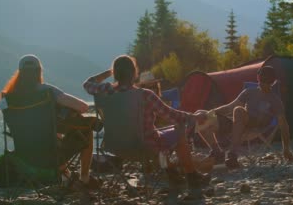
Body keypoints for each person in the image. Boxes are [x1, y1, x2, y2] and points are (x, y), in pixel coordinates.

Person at [83, 55, 209, 197]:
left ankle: (174, 176)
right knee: (178, 130)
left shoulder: (106, 91)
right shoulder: (145, 95)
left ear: (116, 73)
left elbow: (87, 84)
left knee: (161, 136)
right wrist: (194, 117)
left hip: (115, 146)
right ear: (134, 73)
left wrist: (109, 72)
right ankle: (192, 178)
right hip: (144, 146)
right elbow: (171, 115)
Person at [0, 54, 98, 190]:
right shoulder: (47, 92)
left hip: (24, 158)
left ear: (20, 73)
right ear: (39, 72)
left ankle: (66, 177)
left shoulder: (8, 99)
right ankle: (84, 178)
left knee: (53, 133)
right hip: (51, 156)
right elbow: (83, 107)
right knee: (86, 130)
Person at [195, 65, 293, 169]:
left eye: (267, 80)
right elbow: (229, 108)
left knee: (238, 110)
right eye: (261, 79)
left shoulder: (275, 100)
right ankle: (217, 152)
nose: (263, 82)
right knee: (200, 115)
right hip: (237, 124)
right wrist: (209, 113)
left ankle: (232, 154)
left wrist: (286, 148)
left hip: (255, 126)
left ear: (272, 82)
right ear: (258, 78)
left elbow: (283, 125)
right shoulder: (249, 92)